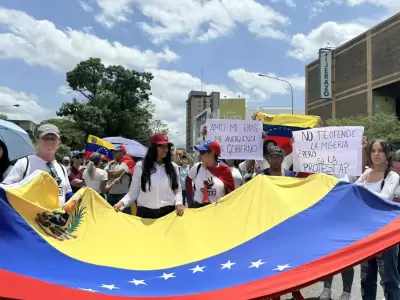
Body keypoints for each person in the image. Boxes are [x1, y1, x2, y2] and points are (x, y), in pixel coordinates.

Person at [356, 139, 400, 300]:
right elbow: (351, 190)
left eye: (380, 151)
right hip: (367, 235)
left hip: (385, 236)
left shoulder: (392, 176)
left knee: (389, 281)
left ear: (387, 154)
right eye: (373, 151)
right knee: (367, 280)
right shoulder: (366, 173)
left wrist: (361, 189)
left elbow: (384, 197)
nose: (376, 154)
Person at [113, 132, 184, 219]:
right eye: (161, 146)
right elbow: (133, 193)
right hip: (145, 215)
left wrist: (179, 203)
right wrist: (121, 204)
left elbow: (177, 191)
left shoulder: (174, 167)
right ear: (153, 147)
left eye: (167, 146)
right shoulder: (140, 166)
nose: (165, 149)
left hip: (168, 215)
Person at [3, 124, 73, 207]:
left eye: (53, 138)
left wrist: (84, 197)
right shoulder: (24, 163)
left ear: (59, 143)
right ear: (37, 140)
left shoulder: (62, 168)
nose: (50, 141)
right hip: (28, 218)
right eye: (45, 138)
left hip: (57, 218)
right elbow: (5, 191)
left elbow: (67, 194)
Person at [186, 140, 235, 208]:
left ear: (211, 153)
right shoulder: (198, 167)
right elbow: (188, 180)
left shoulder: (225, 171)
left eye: (202, 152)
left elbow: (231, 194)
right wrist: (190, 201)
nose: (200, 155)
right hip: (197, 208)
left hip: (217, 211)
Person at [105, 145, 133, 214]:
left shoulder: (128, 161)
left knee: (124, 219)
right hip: (111, 194)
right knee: (110, 218)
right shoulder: (111, 163)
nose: (113, 153)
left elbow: (115, 174)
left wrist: (107, 172)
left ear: (123, 152)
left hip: (123, 196)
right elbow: (104, 176)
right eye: (113, 151)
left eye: (116, 151)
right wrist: (108, 171)